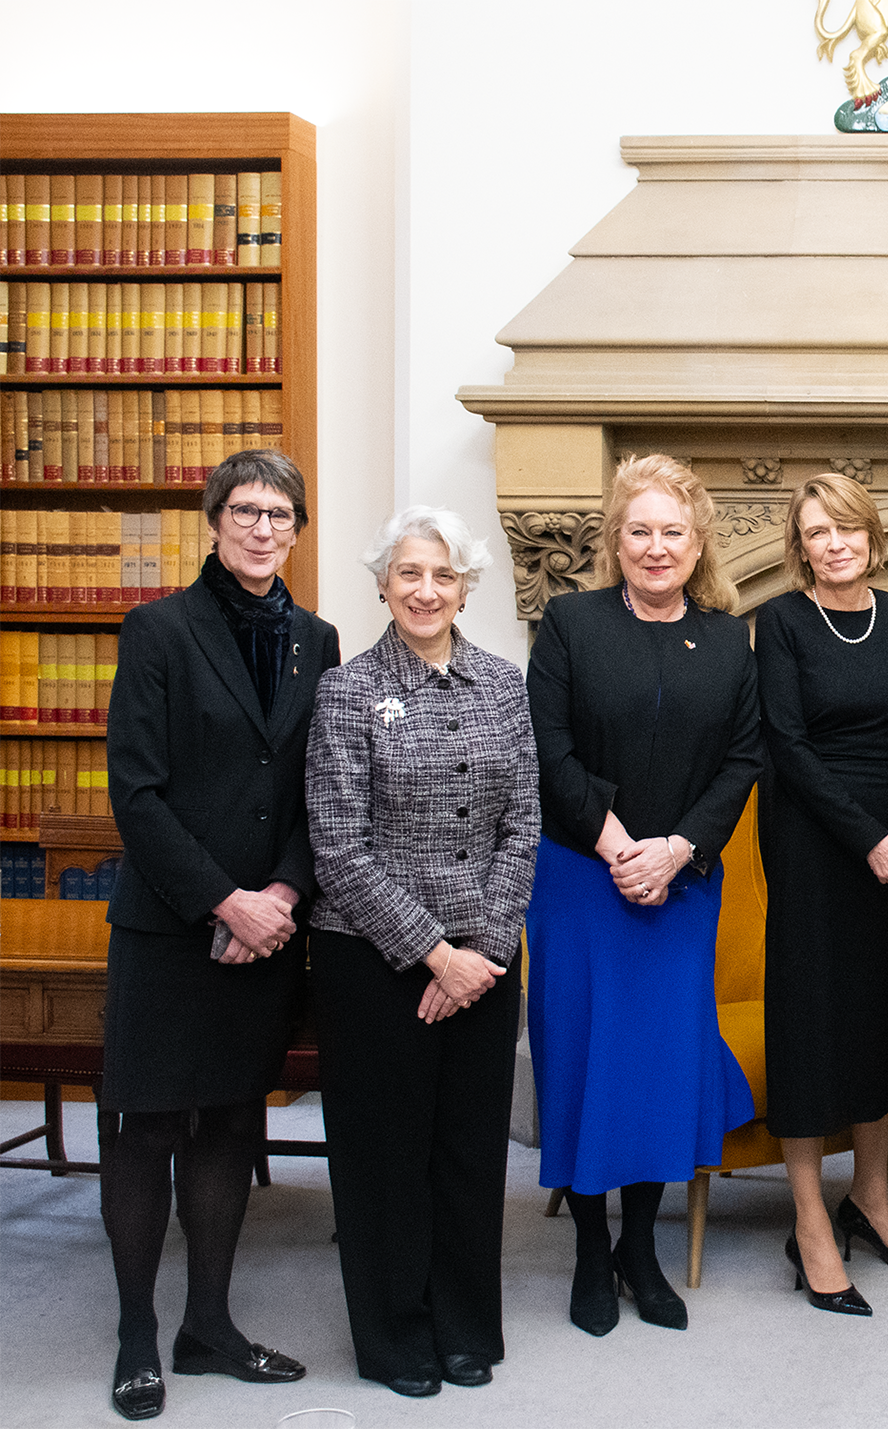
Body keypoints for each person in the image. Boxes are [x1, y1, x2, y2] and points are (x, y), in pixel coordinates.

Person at [100, 449, 338, 1420]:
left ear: (295, 531)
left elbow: (315, 789)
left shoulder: (317, 642)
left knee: (234, 1120)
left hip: (269, 931)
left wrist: (278, 894)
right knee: (148, 1123)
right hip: (170, 927)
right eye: (245, 510)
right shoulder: (157, 630)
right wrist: (223, 901)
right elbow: (137, 793)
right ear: (213, 519)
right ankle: (135, 1333)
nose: (261, 528)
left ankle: (208, 1325)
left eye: (280, 515)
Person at [524, 454, 760, 1338]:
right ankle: (590, 1249)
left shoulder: (729, 639)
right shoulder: (570, 624)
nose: (655, 547)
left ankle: (641, 1247)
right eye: (639, 531)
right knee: (586, 1063)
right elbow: (546, 749)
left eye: (672, 531)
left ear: (697, 543)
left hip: (681, 887)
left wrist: (678, 849)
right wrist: (622, 844)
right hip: (584, 880)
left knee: (658, 1072)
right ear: (614, 540)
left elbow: (744, 760)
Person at [305, 507, 539, 1397]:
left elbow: (524, 824)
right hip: (374, 960)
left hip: (485, 953)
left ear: (466, 587)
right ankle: (395, 1333)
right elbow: (338, 845)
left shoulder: (502, 684)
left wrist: (480, 947)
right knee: (385, 1155)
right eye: (409, 573)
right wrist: (434, 954)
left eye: (443, 575)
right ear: (382, 585)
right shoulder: (347, 689)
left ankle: (465, 1323)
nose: (426, 590)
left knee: (470, 1150)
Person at [757, 473, 888, 1316]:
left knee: (880, 1015)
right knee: (812, 1023)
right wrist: (868, 839)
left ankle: (871, 1197)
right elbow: (789, 748)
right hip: (815, 841)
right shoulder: (784, 621)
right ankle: (809, 1219)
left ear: (871, 536)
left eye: (846, 528)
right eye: (816, 531)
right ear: (799, 546)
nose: (833, 543)